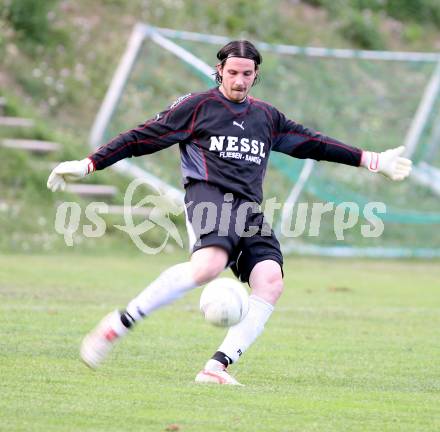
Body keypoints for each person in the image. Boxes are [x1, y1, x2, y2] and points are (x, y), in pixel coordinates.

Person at [47, 40, 412, 385]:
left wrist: (371, 160)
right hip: (208, 196)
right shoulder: (198, 107)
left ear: (256, 76)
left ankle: (216, 367)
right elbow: (141, 136)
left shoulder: (266, 117)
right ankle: (117, 325)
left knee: (271, 281)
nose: (239, 80)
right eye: (232, 72)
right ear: (219, 70)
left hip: (248, 209)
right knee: (207, 268)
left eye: (247, 74)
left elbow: (312, 143)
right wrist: (89, 164)